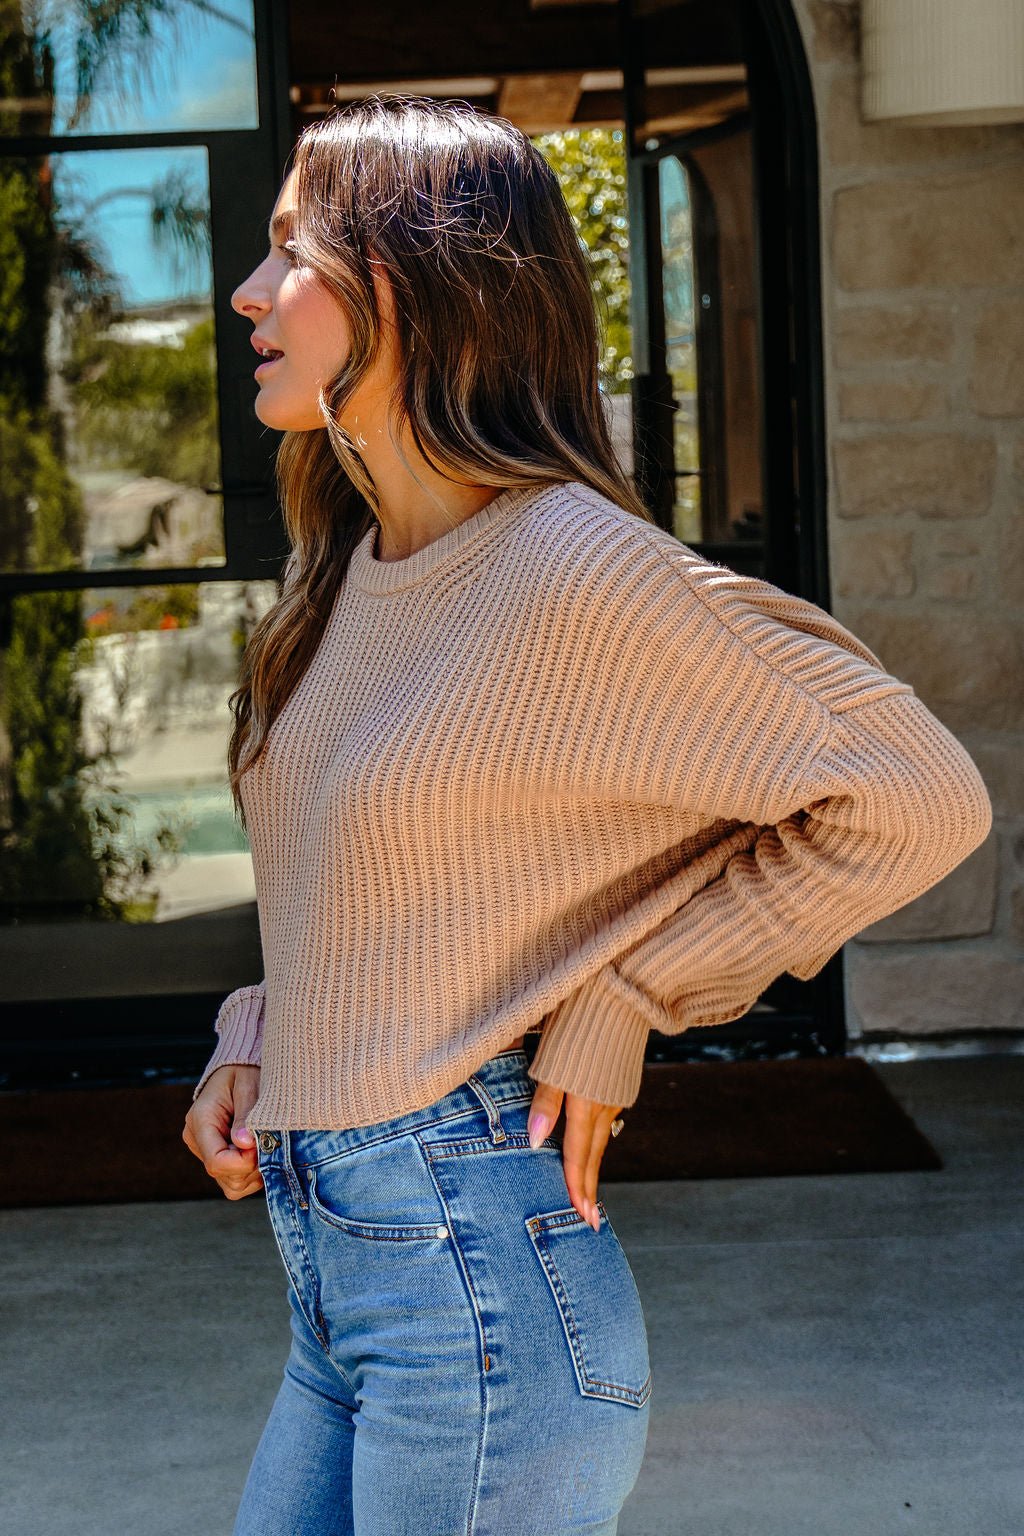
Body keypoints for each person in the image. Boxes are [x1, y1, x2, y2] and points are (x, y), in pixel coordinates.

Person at [182, 94, 992, 1536]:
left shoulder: (570, 568)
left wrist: (626, 995)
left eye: (290, 253)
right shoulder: (345, 573)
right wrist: (259, 1041)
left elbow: (914, 792)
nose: (248, 293)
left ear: (413, 285)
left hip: (475, 1296)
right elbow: (379, 886)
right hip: (340, 1288)